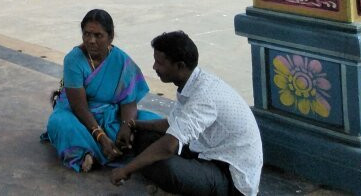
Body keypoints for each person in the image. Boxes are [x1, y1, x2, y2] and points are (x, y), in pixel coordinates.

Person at [110, 31, 262, 196]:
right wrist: (132, 124)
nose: (154, 67)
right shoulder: (192, 82)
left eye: (159, 63)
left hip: (231, 177)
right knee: (143, 138)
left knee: (166, 167)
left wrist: (126, 169)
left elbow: (169, 146)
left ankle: (176, 188)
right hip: (206, 153)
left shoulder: (204, 95)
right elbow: (171, 124)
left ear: (180, 66)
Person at [43, 9, 161, 173]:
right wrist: (101, 136)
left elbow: (129, 102)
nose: (91, 40)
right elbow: (79, 107)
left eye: (98, 35)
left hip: (111, 115)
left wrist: (126, 128)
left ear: (110, 37)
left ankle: (100, 152)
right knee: (61, 124)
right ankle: (94, 152)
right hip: (77, 115)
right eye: (86, 34)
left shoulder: (122, 61)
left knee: (153, 121)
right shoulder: (73, 59)